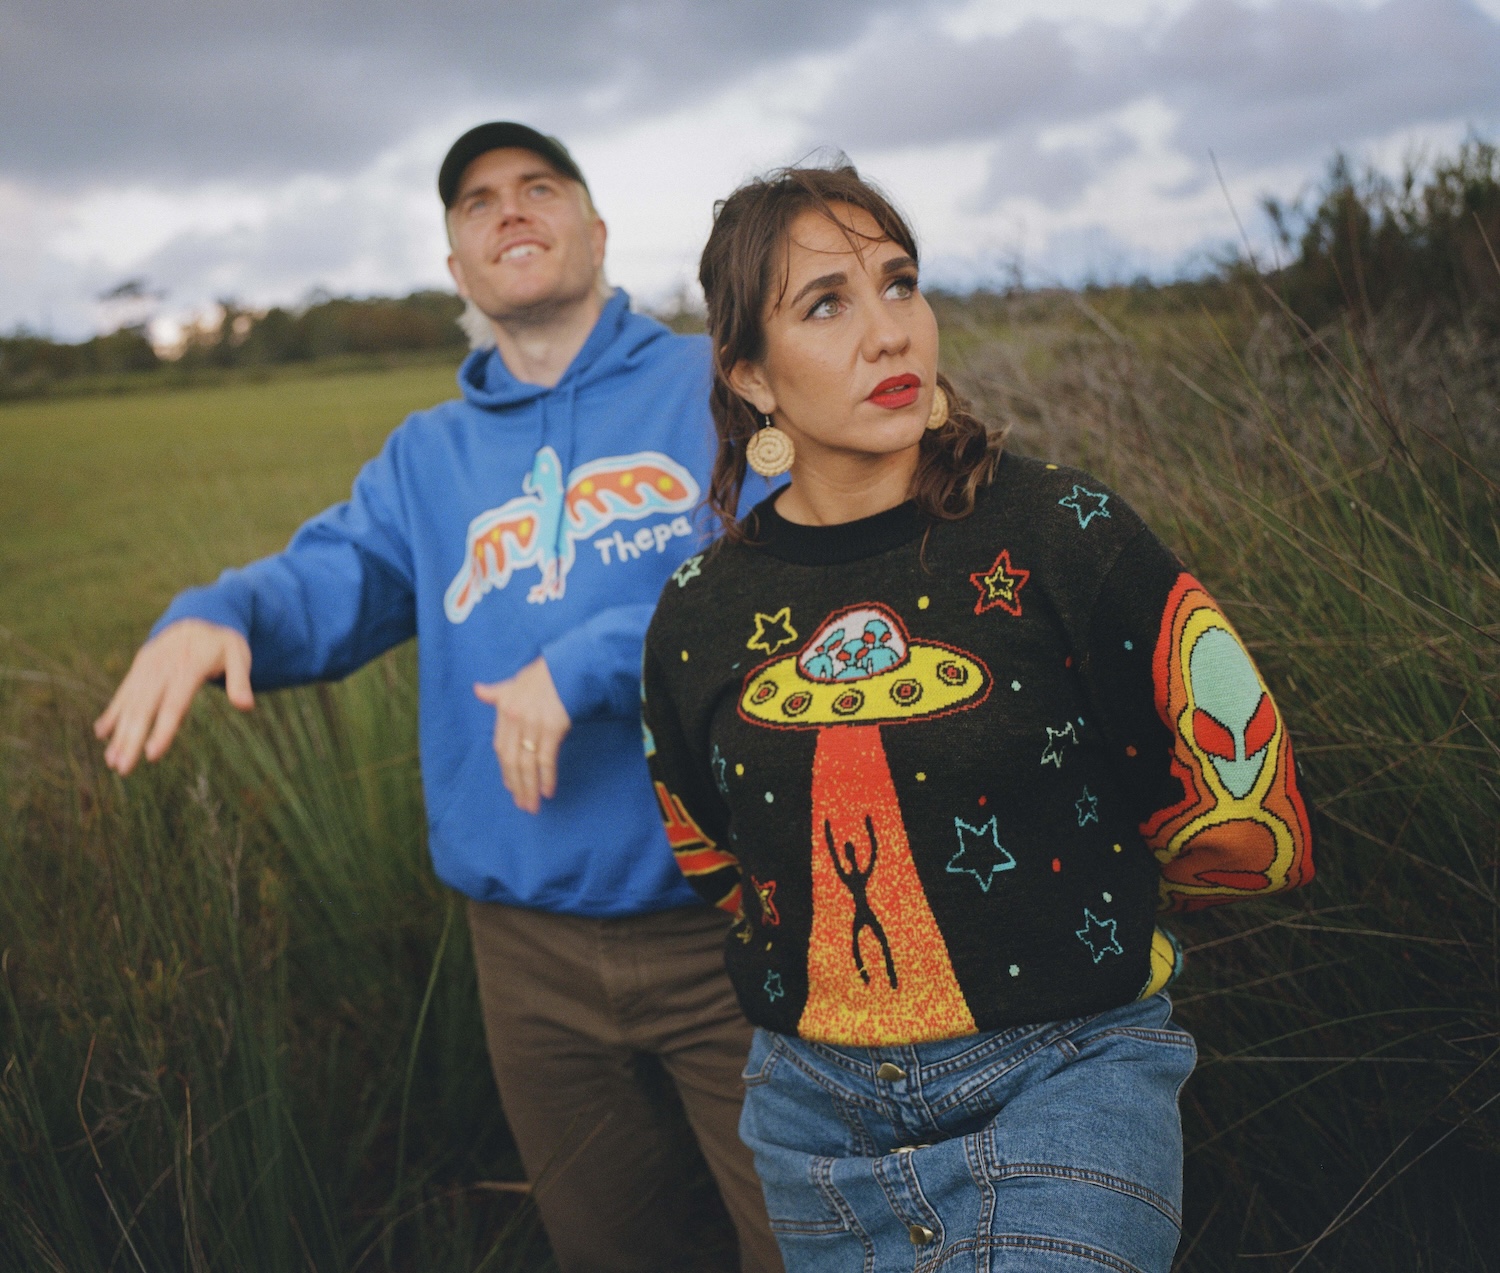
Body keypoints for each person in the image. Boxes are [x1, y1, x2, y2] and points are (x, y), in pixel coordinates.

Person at [93, 122, 783, 1273]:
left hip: (728, 915)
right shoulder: (428, 458)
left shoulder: (712, 383)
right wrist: (220, 612)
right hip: (526, 954)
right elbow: (334, 577)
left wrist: (591, 662)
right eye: (477, 200)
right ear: (457, 265)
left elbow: (784, 580)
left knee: (806, 1237)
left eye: (539, 186)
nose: (509, 208)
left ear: (596, 230)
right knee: (612, 1250)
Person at [640, 163, 1315, 1272]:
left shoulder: (1062, 531)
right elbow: (715, 849)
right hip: (813, 1124)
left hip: (1066, 1077)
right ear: (750, 375)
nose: (889, 330)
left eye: (900, 283)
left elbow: (1233, 774)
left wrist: (1067, 929)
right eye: (827, 304)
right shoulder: (699, 610)